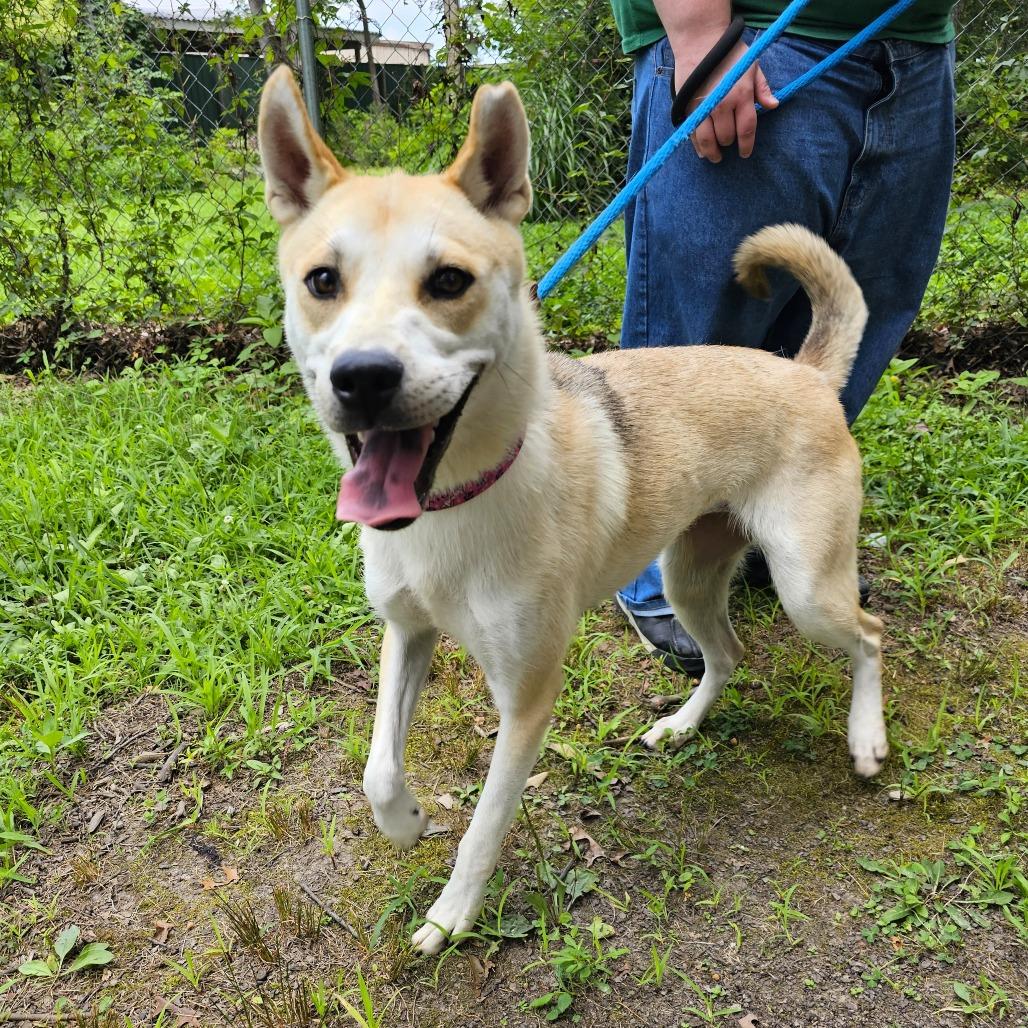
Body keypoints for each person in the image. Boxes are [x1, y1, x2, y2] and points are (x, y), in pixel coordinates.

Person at [609, 0, 958, 674]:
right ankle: (649, 565)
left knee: (847, 328)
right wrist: (701, 30)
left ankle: (781, 526)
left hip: (916, 45)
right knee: (696, 342)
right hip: (758, 39)